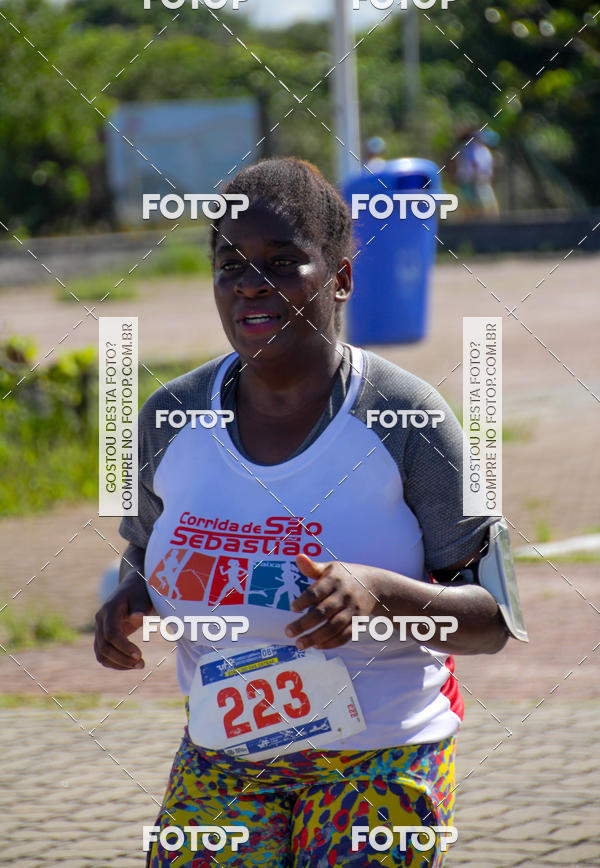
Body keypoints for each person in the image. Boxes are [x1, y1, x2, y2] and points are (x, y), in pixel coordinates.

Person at [94, 157, 520, 867]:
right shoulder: (169, 416)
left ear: (343, 278)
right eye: (231, 265)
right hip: (226, 759)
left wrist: (381, 596)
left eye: (283, 262)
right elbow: (142, 559)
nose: (251, 284)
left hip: (380, 759)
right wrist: (125, 600)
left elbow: (494, 621)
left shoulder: (407, 418)